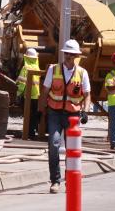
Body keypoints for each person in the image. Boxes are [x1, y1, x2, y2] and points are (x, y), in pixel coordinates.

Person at [38, 39, 91, 194]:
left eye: (71, 54)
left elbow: (87, 95)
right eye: (66, 53)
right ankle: (55, 181)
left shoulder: (82, 73)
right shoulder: (53, 70)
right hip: (54, 113)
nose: (68, 56)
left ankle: (70, 180)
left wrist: (85, 111)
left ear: (76, 56)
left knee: (72, 149)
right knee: (53, 146)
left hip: (72, 116)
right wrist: (40, 110)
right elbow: (45, 91)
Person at [16, 47, 41, 138]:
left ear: (26, 57)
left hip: (27, 95)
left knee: (27, 114)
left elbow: (22, 83)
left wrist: (19, 93)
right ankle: (32, 132)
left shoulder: (25, 68)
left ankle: (26, 133)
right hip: (36, 95)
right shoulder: (37, 68)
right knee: (33, 114)